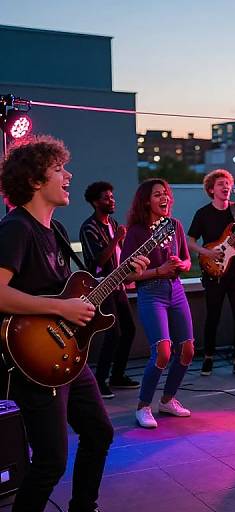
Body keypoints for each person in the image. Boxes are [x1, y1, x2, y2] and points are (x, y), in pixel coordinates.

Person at [0, 135, 148, 512]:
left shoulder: (58, 232)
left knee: (99, 432)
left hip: (69, 355)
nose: (69, 175)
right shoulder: (17, 228)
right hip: (33, 358)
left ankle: (84, 506)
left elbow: (74, 293)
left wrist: (124, 273)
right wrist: (61, 310)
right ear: (35, 180)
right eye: (59, 169)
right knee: (50, 462)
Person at [121, 178, 194, 429]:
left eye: (165, 194)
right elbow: (127, 275)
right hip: (151, 293)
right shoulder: (136, 232)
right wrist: (159, 271)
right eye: (157, 194)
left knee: (187, 350)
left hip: (176, 290)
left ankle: (167, 400)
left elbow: (187, 261)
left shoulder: (175, 225)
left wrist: (180, 265)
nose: (164, 198)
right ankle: (143, 406)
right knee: (162, 351)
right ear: (146, 201)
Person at [188, 169, 235, 378]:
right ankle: (208, 357)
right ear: (212, 189)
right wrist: (207, 252)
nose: (226, 187)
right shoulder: (203, 213)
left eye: (228, 183)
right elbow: (190, 241)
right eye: (221, 183)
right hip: (214, 272)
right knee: (213, 316)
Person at [80, 181, 139, 399]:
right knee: (113, 333)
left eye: (112, 197)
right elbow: (97, 261)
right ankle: (100, 380)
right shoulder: (89, 227)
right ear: (95, 202)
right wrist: (116, 239)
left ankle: (117, 376)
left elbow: (119, 257)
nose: (111, 200)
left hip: (118, 285)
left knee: (129, 330)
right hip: (100, 287)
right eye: (106, 198)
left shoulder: (113, 223)